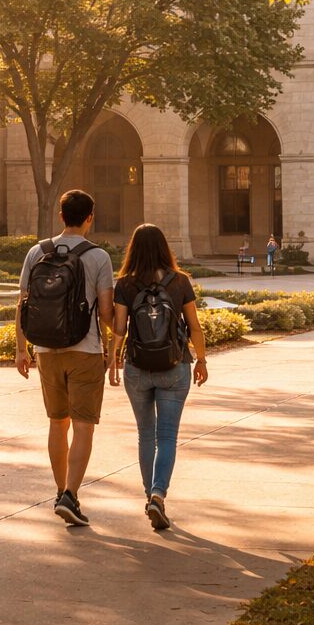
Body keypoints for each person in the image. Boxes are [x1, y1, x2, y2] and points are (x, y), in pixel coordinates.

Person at [14, 189, 116, 527]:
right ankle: (72, 494)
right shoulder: (98, 257)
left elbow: (23, 303)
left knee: (58, 422)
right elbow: (104, 312)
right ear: (90, 217)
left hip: (45, 350)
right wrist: (120, 333)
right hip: (84, 350)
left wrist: (20, 348)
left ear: (61, 216)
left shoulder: (36, 252)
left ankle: (60, 491)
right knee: (84, 425)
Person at [108, 223, 208, 531]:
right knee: (167, 437)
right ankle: (158, 494)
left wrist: (113, 358)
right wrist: (201, 359)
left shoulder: (124, 284)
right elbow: (194, 327)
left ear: (133, 249)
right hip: (174, 366)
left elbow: (120, 329)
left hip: (138, 368)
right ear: (165, 248)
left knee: (145, 436)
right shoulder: (180, 282)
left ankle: (148, 496)